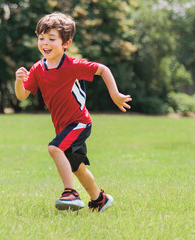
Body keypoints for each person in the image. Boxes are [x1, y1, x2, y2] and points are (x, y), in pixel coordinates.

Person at [14, 12, 132, 212]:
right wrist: (18, 81)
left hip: (79, 122)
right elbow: (22, 95)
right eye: (41, 38)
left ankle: (70, 192)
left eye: (52, 39)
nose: (45, 43)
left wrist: (114, 93)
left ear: (65, 43)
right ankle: (99, 200)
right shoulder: (37, 69)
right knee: (76, 168)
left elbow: (102, 69)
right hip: (63, 127)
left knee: (54, 148)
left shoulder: (73, 65)